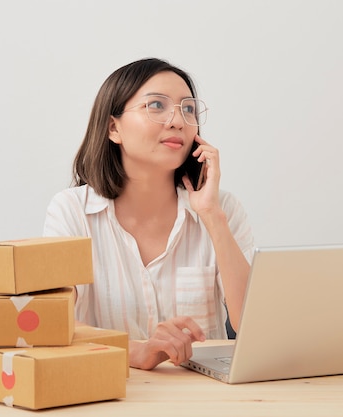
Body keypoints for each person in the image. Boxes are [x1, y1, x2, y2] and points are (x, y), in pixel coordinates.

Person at [43, 58, 254, 370]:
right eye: (156, 105)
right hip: (110, 390)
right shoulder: (72, 211)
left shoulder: (223, 210)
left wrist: (211, 215)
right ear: (113, 128)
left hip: (202, 394)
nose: (177, 121)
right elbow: (50, 324)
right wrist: (134, 352)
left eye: (188, 109)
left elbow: (253, 326)